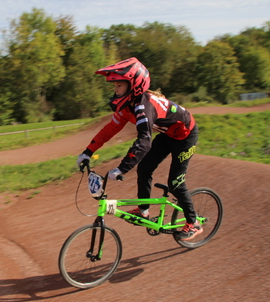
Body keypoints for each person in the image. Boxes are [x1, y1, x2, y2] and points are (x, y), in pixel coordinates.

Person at [76, 57, 201, 241]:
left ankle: (194, 222)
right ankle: (143, 211)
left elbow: (144, 141)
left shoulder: (143, 107)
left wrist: (122, 168)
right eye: (115, 86)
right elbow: (109, 130)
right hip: (168, 135)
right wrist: (88, 152)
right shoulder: (127, 106)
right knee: (144, 168)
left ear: (133, 85)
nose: (115, 90)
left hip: (185, 136)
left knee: (175, 182)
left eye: (118, 85)